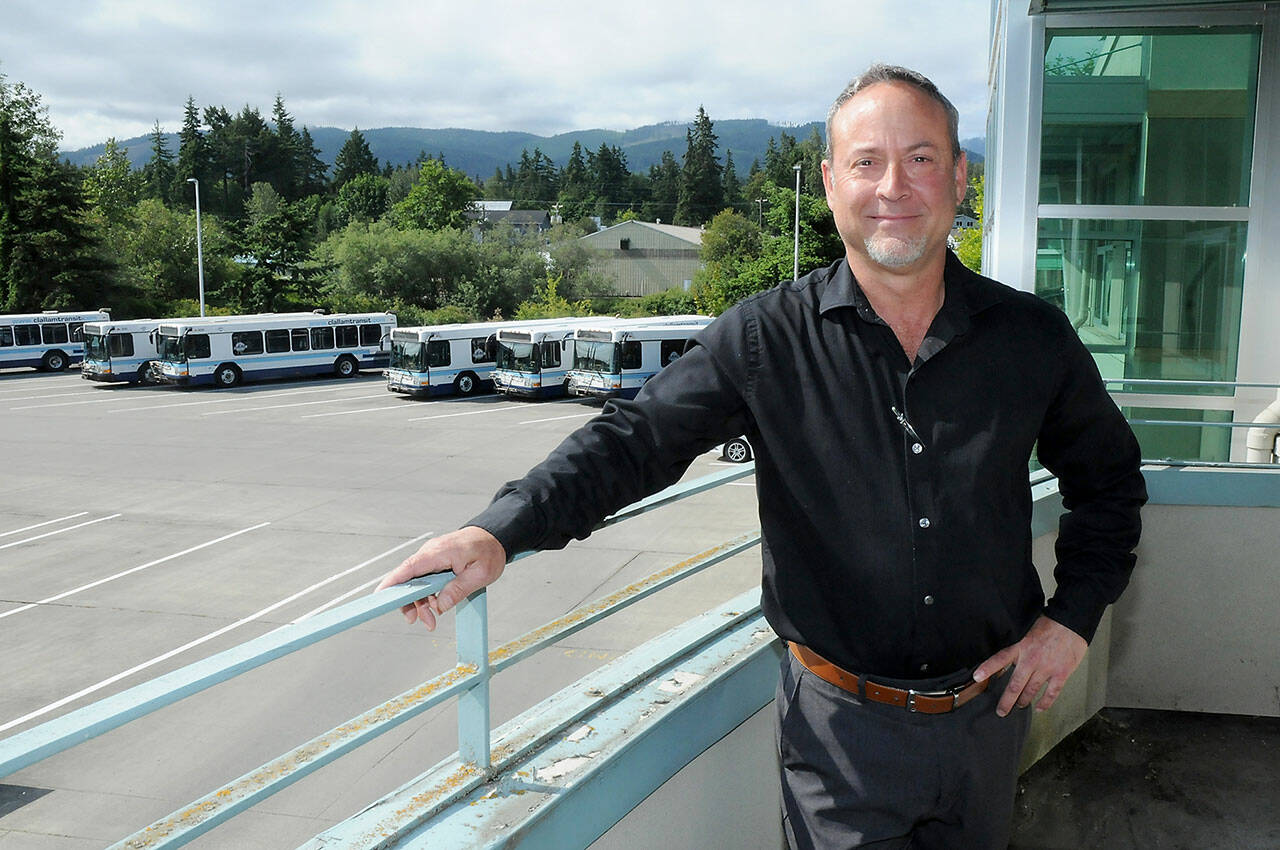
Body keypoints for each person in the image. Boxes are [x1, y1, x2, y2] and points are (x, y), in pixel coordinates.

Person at [377, 64, 1146, 849]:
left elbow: (1112, 485)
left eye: (920, 158)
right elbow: (635, 440)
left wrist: (1072, 618)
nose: (893, 185)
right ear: (830, 183)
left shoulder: (1031, 339)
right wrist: (500, 530)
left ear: (957, 176)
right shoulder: (762, 339)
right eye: (866, 161)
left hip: (989, 723)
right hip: (839, 740)